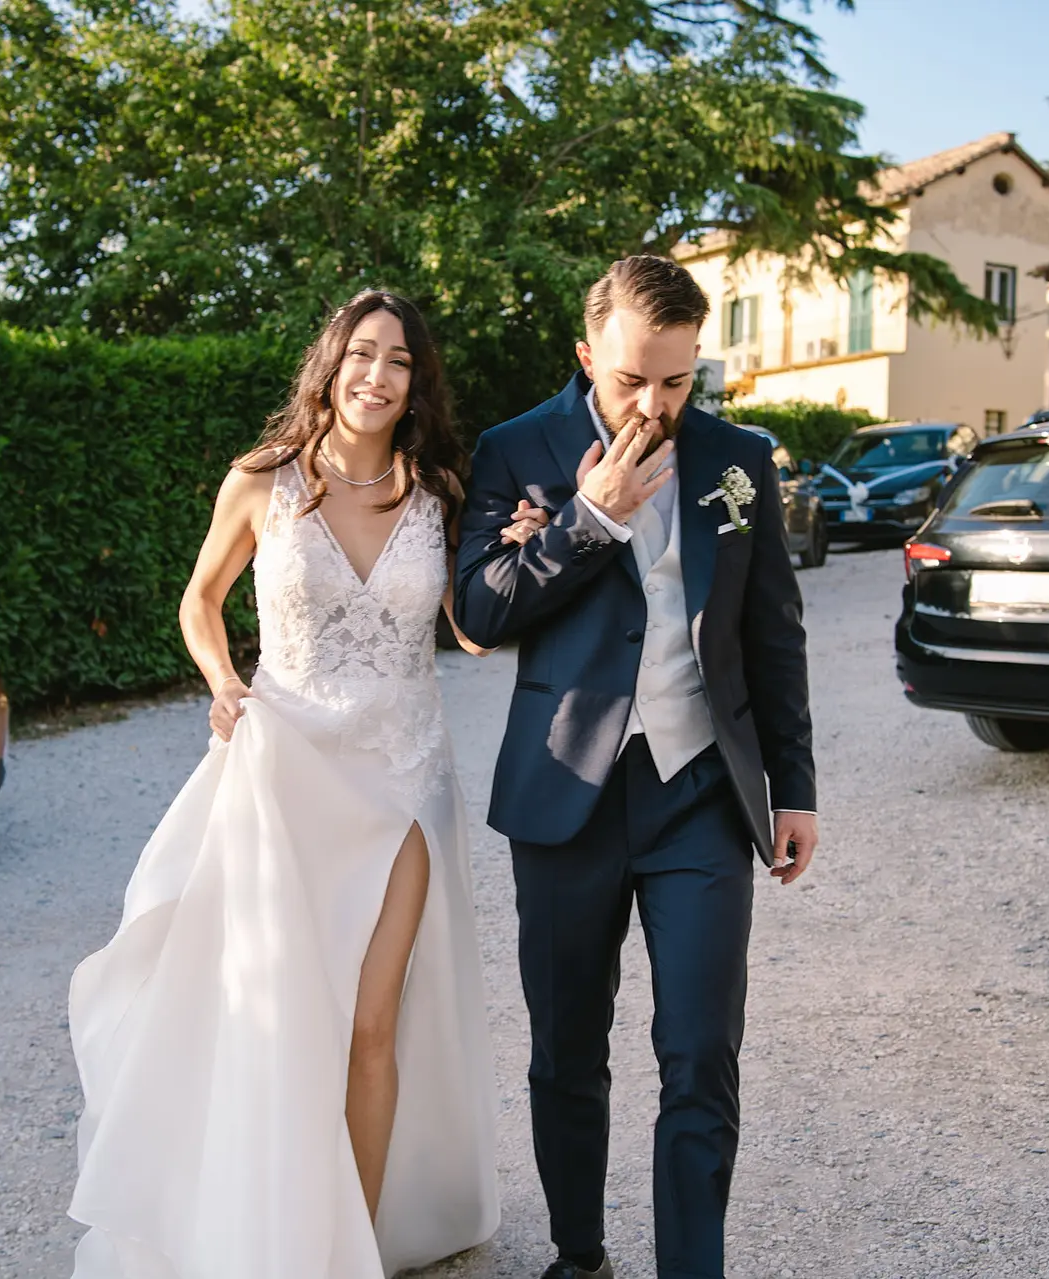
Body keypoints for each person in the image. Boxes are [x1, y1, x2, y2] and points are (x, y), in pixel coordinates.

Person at [66, 290, 536, 1278]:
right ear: (329, 365)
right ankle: (264, 1224)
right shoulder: (260, 480)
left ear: (417, 383)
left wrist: (528, 551)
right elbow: (200, 600)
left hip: (405, 779)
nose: (376, 375)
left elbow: (470, 631)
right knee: (281, 1019)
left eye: (398, 361)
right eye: (361, 354)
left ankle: (351, 1243)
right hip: (283, 774)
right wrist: (223, 680)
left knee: (374, 1023)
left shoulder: (439, 492)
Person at [454, 255, 820, 1279]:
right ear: (586, 356)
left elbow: (772, 633)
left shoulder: (739, 454)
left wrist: (795, 787)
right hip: (564, 793)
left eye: (677, 379)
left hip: (701, 794)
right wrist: (589, 520)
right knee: (567, 1052)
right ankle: (581, 1257)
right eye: (631, 381)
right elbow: (479, 611)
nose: (655, 404)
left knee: (701, 1054)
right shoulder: (514, 449)